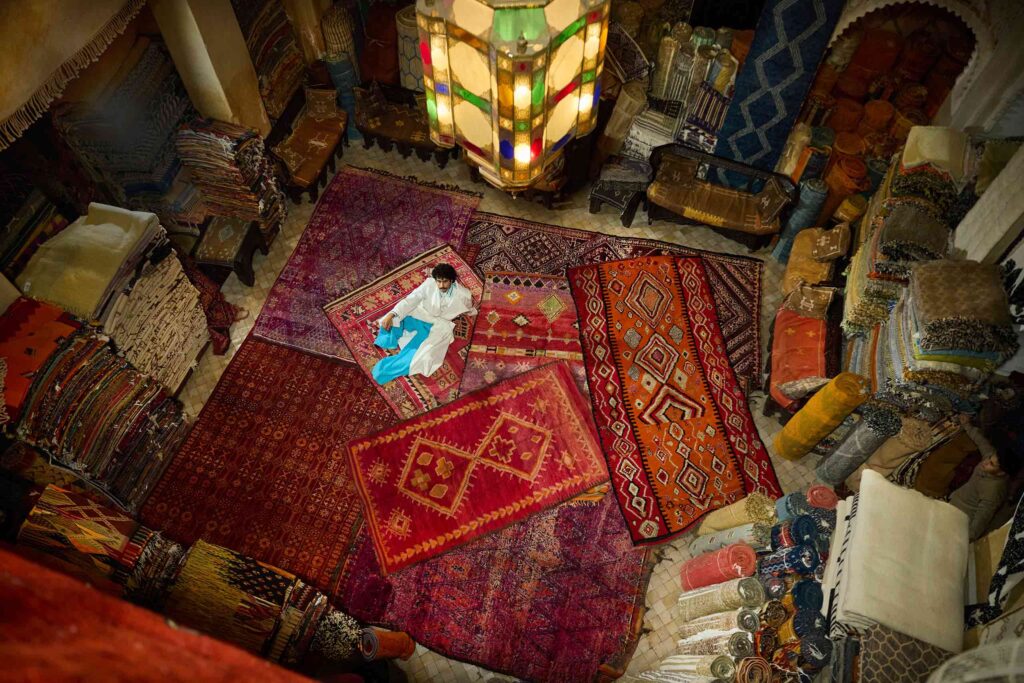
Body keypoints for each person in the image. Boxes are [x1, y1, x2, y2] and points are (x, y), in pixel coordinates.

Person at [371, 263, 475, 384]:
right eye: (439, 281)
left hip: (436, 326)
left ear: (452, 280)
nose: (441, 285)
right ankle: (388, 341)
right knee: (392, 319)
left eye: (445, 282)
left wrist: (471, 311)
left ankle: (383, 370)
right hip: (419, 314)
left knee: (418, 357)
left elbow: (469, 306)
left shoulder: (464, 295)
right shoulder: (429, 284)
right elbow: (411, 299)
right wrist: (392, 314)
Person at [949, 413, 1019, 540]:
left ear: (1002, 472)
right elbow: (981, 441)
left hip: (959, 516)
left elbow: (979, 523)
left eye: (991, 464)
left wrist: (961, 539)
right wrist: (967, 425)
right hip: (955, 499)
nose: (985, 462)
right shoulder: (990, 456)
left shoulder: (992, 492)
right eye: (989, 459)